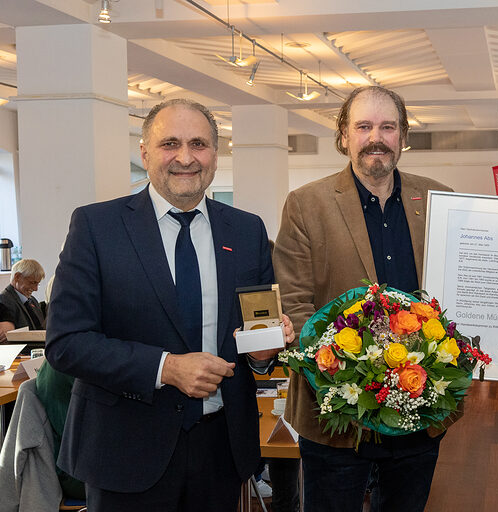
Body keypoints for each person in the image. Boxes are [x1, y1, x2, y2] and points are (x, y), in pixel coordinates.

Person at [45, 99, 294, 512]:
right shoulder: (96, 227)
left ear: (215, 154)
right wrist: (166, 367)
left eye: (198, 144)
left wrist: (264, 355)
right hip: (124, 449)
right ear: (144, 153)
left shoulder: (247, 230)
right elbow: (66, 343)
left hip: (221, 448)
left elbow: (255, 334)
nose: (185, 157)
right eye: (169, 144)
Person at [273, 85, 453, 512]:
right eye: (364, 126)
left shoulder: (438, 199)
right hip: (334, 417)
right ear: (344, 136)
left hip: (418, 410)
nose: (376, 137)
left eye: (388, 127)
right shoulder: (305, 204)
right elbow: (294, 303)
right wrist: (345, 378)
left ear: (403, 136)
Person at [0, 258, 46, 343]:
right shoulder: (3, 301)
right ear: (17, 277)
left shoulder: (33, 301)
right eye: (32, 283)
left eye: (37, 284)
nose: (35, 289)